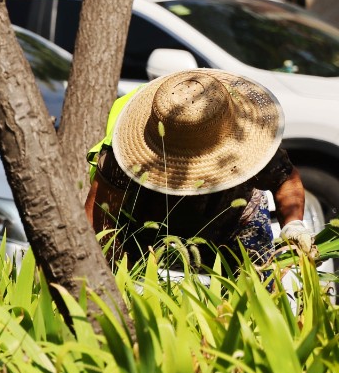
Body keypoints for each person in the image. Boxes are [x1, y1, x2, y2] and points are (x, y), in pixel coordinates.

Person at [84, 68, 311, 269]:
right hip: (149, 235)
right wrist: (117, 272)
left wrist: (293, 226)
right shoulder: (123, 156)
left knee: (260, 290)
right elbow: (99, 218)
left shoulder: (246, 138)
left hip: (233, 223)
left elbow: (285, 179)